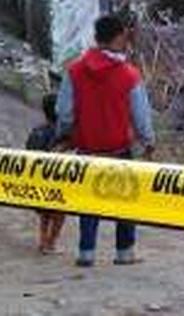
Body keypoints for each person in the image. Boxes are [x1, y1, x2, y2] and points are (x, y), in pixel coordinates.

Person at [56, 14, 156, 268]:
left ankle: (86, 252)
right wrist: (148, 141)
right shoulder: (129, 75)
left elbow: (64, 110)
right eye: (125, 36)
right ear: (120, 36)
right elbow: (141, 115)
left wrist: (66, 135)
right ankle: (124, 252)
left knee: (88, 201)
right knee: (125, 201)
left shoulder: (75, 70)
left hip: (87, 148)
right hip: (119, 149)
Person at [26, 94, 66, 255]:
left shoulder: (37, 130)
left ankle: (43, 240)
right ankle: (51, 243)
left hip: (37, 178)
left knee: (44, 213)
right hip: (54, 179)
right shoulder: (60, 133)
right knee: (60, 213)